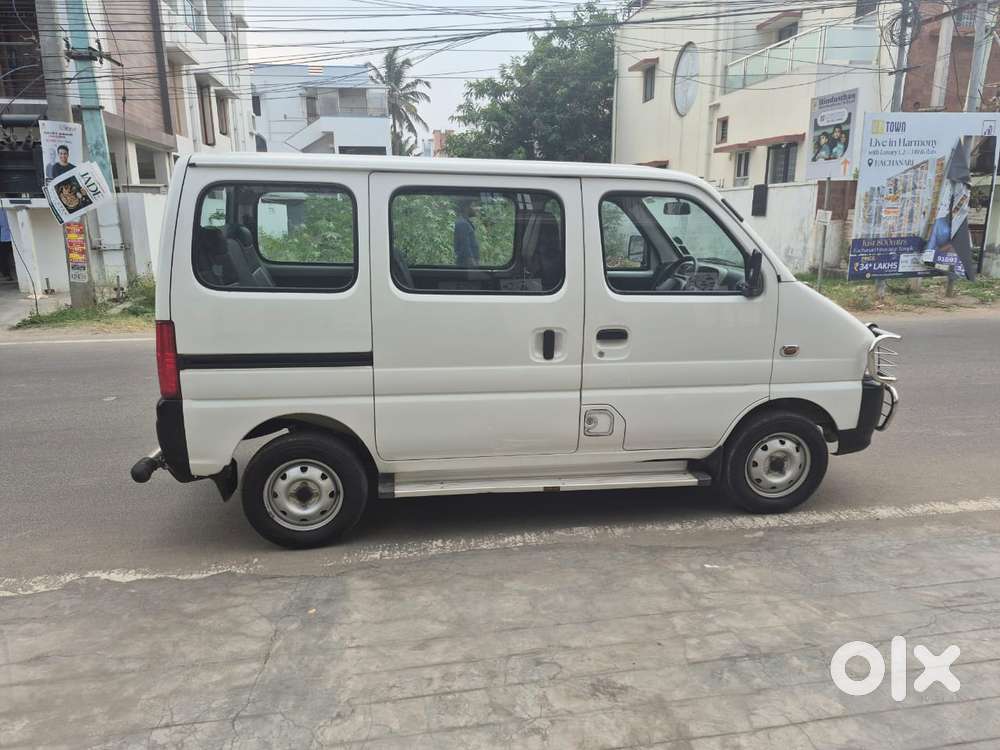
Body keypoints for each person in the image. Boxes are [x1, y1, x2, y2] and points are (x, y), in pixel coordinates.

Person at [453, 197, 480, 267]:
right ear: (466, 207)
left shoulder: (465, 223)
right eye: (474, 206)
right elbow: (466, 250)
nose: (478, 208)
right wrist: (475, 269)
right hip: (466, 267)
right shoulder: (462, 223)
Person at [0, 209, 14, 281]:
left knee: (4, 257)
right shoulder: (8, 208)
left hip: (4, 237)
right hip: (12, 236)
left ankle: (7, 274)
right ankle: (7, 274)